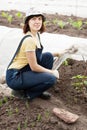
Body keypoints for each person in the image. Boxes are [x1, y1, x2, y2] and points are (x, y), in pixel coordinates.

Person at [6, 8, 59, 100]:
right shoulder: (29, 40)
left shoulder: (36, 35)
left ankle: (36, 89)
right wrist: (52, 72)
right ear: (28, 22)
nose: (37, 21)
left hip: (24, 70)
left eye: (39, 19)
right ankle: (25, 93)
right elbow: (34, 66)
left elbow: (37, 56)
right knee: (51, 78)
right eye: (33, 19)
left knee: (48, 56)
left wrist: (58, 53)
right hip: (15, 76)